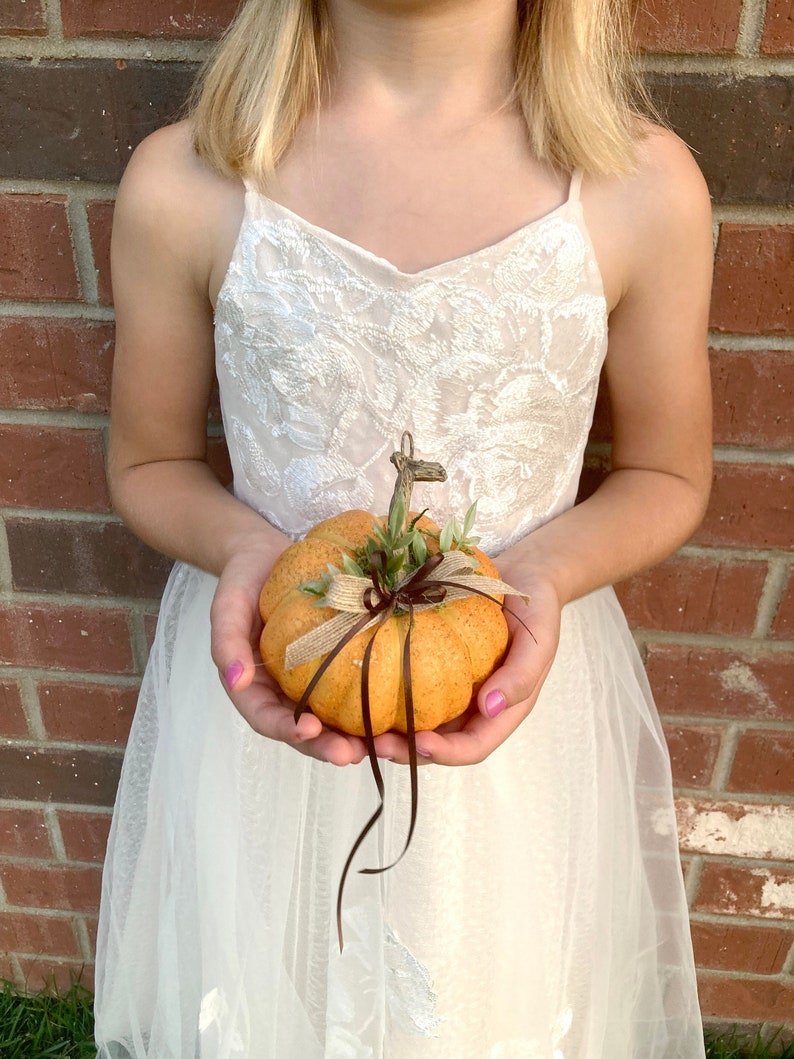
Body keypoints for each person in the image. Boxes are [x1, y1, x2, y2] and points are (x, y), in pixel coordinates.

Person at [94, 0, 713, 1055]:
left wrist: (543, 577)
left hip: (512, 703)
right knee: (269, 984)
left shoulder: (637, 185)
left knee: (495, 993)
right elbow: (150, 461)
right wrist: (250, 551)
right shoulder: (190, 180)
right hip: (273, 690)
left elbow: (664, 471)